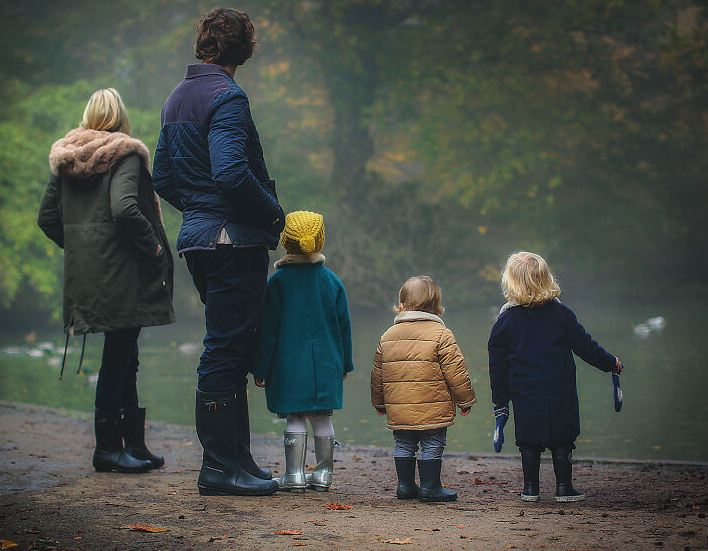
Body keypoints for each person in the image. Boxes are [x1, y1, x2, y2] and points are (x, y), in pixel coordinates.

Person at [153, 8, 284, 496]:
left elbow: (162, 177)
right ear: (245, 48)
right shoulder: (228, 97)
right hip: (233, 240)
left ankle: (239, 462)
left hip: (200, 241)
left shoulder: (177, 96)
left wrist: (199, 212)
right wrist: (275, 216)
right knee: (226, 349)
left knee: (232, 347)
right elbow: (231, 172)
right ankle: (217, 468)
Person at [38, 88, 175, 473]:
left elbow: (47, 218)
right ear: (120, 117)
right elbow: (125, 208)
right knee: (119, 358)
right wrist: (153, 248)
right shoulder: (125, 154)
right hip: (122, 273)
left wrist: (83, 250)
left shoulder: (65, 159)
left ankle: (134, 444)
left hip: (89, 275)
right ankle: (109, 449)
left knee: (124, 354)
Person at [487, 251, 623, 502]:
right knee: (563, 440)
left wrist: (500, 400)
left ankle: (530, 489)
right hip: (560, 390)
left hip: (525, 393)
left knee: (528, 442)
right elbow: (585, 346)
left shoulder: (505, 321)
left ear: (510, 283)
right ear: (546, 279)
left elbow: (497, 366)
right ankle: (564, 487)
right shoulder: (561, 315)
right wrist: (610, 363)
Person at [251, 211, 354, 492]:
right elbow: (344, 327)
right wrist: (345, 363)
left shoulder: (277, 282)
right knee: (323, 416)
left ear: (286, 241)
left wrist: (260, 367)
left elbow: (268, 330)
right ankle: (323, 474)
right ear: (320, 240)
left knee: (295, 416)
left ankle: (294, 474)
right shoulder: (332, 281)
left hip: (288, 364)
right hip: (326, 362)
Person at [370, 276, 476, 502]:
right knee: (433, 442)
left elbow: (378, 374)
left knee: (403, 443)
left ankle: (405, 486)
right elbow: (455, 371)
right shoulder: (441, 334)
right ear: (435, 304)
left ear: (402, 302)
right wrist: (464, 400)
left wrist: (379, 402)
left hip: (400, 409)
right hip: (433, 409)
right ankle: (430, 487)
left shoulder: (388, 336)